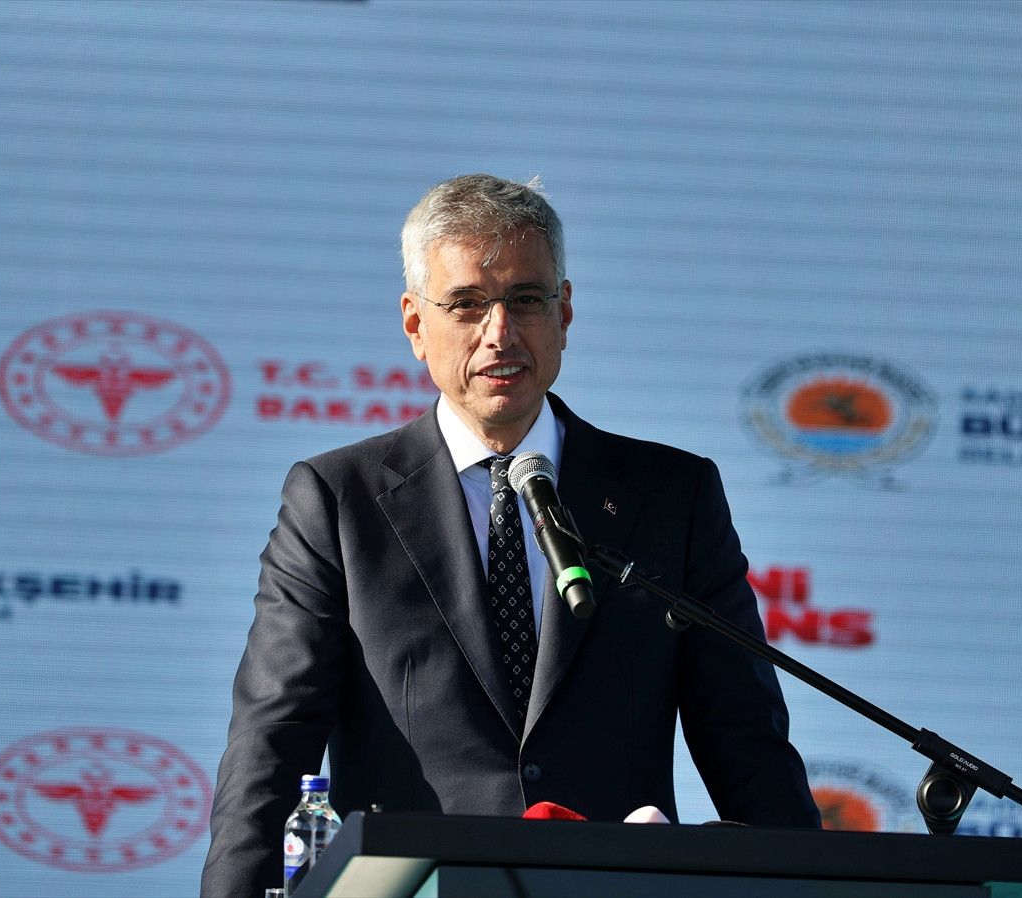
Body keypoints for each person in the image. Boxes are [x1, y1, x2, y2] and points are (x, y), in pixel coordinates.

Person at [201, 174, 820, 897]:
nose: (500, 332)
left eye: (525, 300)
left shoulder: (670, 497)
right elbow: (271, 746)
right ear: (415, 324)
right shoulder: (339, 502)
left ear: (564, 312)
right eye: (466, 304)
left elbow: (748, 745)